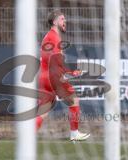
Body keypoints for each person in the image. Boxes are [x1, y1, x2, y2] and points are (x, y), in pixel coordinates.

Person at [36, 10, 90, 141]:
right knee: (74, 101)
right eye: (62, 19)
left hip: (44, 77)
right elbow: (55, 61)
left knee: (43, 112)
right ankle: (74, 133)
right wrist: (71, 72)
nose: (65, 21)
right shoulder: (54, 37)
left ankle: (26, 139)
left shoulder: (49, 36)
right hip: (52, 77)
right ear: (54, 22)